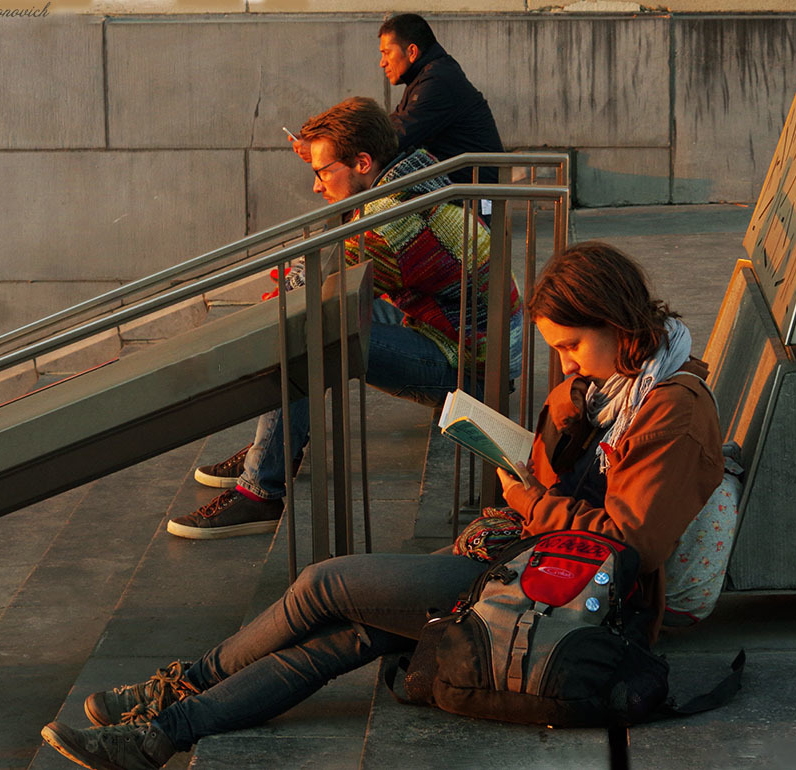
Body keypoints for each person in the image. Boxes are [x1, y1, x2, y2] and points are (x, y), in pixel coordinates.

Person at [39, 241, 725, 770]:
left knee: (324, 585)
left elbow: (634, 541)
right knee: (348, 636)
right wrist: (561, 421)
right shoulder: (613, 389)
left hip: (574, 594)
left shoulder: (673, 410)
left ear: (612, 321)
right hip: (528, 561)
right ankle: (160, 735)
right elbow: (556, 472)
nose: (567, 363)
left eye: (572, 347)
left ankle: (176, 692)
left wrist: (532, 499)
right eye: (559, 351)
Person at [165, 96, 523, 540]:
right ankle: (275, 445)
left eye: (322, 171)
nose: (316, 186)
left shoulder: (392, 225)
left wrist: (290, 283)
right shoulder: (411, 176)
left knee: (309, 332)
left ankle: (262, 490)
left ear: (363, 161)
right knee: (318, 317)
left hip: (469, 368)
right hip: (463, 335)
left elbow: (309, 283)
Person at [291, 13, 505, 188]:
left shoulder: (439, 81)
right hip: (457, 190)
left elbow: (394, 136)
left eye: (386, 53)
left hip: (472, 200)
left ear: (411, 51)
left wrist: (331, 147)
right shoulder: (425, 78)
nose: (382, 63)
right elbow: (390, 127)